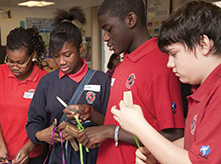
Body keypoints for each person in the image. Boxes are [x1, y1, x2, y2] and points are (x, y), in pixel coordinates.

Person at [63, 0, 185, 164]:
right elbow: (117, 123)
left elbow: (175, 136)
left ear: (130, 20)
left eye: (109, 29)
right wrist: (92, 115)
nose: (105, 37)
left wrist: (112, 132)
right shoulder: (122, 65)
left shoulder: (160, 64)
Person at [111, 1, 221, 164]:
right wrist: (157, 152)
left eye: (174, 54)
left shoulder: (218, 95)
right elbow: (197, 142)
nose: (169, 64)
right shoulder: (201, 90)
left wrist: (140, 127)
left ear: (203, 44)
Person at [26, 6, 111, 164]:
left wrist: (91, 116)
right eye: (56, 56)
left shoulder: (101, 80)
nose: (61, 62)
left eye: (67, 55)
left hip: (97, 157)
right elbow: (33, 121)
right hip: (59, 158)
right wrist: (41, 135)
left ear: (80, 48)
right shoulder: (47, 82)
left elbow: (112, 124)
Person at [0, 27, 48, 164]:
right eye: (10, 60)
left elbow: (45, 123)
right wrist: (1, 147)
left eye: (21, 62)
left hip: (32, 155)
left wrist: (27, 149)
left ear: (33, 55)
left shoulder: (45, 79)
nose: (14, 66)